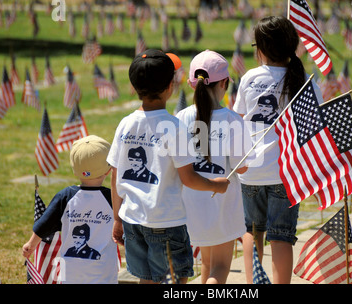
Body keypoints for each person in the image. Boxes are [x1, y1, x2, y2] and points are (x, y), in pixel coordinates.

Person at [107, 49, 230, 284]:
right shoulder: (173, 127)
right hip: (166, 222)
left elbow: (116, 176)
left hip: (132, 220)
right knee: (175, 281)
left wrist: (117, 218)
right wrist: (216, 185)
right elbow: (189, 178)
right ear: (170, 87)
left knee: (147, 279)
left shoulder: (125, 124)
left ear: (134, 87)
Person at [233, 16, 324, 284]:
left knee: (252, 231)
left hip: (250, 171)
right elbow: (314, 127)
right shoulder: (305, 81)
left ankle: (254, 284)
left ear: (260, 48)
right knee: (282, 236)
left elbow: (238, 123)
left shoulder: (250, 78)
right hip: (287, 173)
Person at [176, 50, 249, 284]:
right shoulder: (232, 119)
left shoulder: (180, 117)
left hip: (190, 205)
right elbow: (242, 168)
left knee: (207, 263)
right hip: (222, 206)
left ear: (191, 84)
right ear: (224, 84)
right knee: (220, 266)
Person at [22, 135, 119, 284]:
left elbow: (44, 224)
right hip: (104, 273)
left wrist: (31, 244)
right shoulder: (112, 197)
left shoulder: (65, 196)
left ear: (75, 169)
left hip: (71, 274)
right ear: (108, 170)